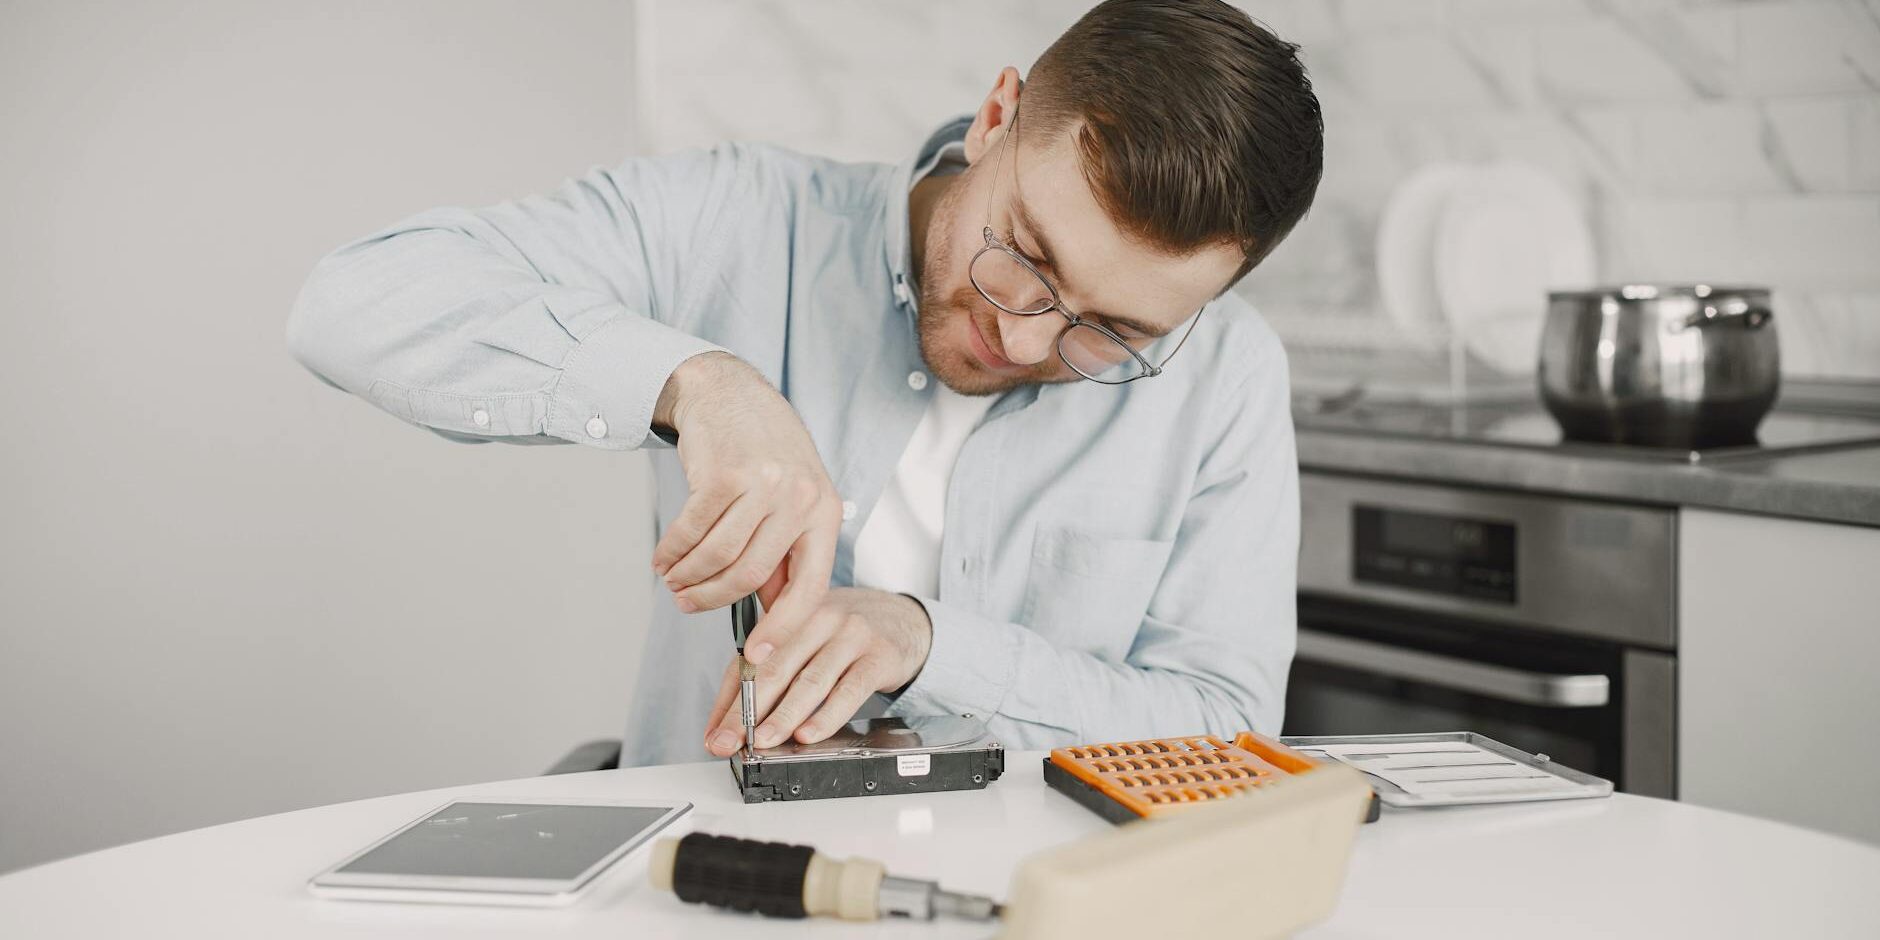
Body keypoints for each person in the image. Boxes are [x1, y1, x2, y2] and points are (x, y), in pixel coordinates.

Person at [287, 0, 1323, 767]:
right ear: (995, 116)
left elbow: (1224, 731)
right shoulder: (733, 220)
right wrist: (699, 383)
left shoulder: (1224, 374)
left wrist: (925, 644)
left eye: (1109, 331)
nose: (1021, 335)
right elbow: (354, 301)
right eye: (1023, 255)